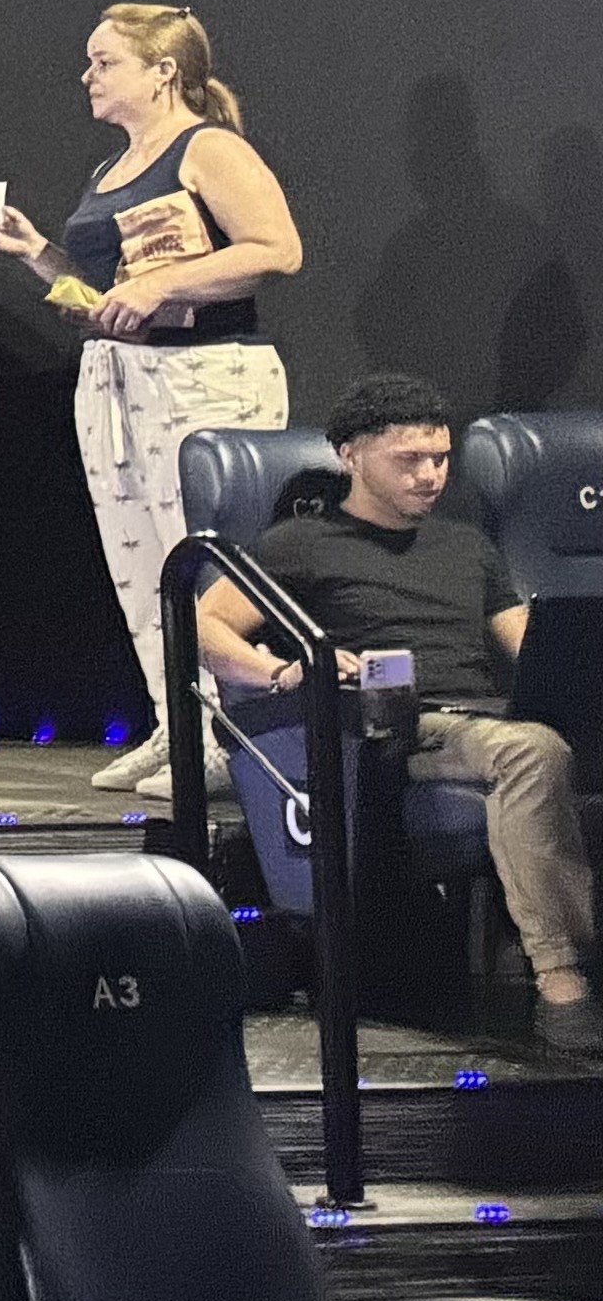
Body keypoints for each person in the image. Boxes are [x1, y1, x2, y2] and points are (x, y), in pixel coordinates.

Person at [0, 1, 306, 790]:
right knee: (142, 565)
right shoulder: (109, 169)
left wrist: (164, 283)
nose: (87, 75)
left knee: (202, 562)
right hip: (119, 383)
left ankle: (229, 733)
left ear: (163, 71)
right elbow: (106, 291)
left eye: (104, 61)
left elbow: (277, 248)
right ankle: (176, 723)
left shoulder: (207, 147)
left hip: (203, 377)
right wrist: (37, 252)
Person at [212, 376, 592, 1052]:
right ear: (351, 455)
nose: (430, 475)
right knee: (531, 749)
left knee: (534, 740)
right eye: (409, 460)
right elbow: (203, 624)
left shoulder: (467, 546)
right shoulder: (300, 543)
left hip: (487, 718)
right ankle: (564, 987)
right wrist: (284, 669)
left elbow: (531, 647)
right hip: (395, 726)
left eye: (440, 458)